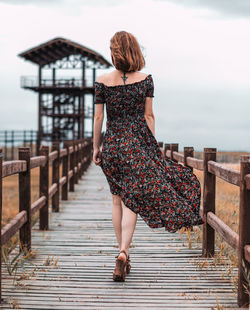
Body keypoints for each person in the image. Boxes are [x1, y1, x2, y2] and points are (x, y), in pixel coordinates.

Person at [92, 30, 204, 282]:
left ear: (114, 52)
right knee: (133, 199)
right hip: (137, 145)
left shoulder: (102, 81)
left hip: (113, 145)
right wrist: (151, 147)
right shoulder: (146, 80)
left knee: (117, 199)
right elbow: (149, 116)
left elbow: (99, 118)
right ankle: (123, 253)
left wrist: (95, 148)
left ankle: (122, 253)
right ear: (135, 51)